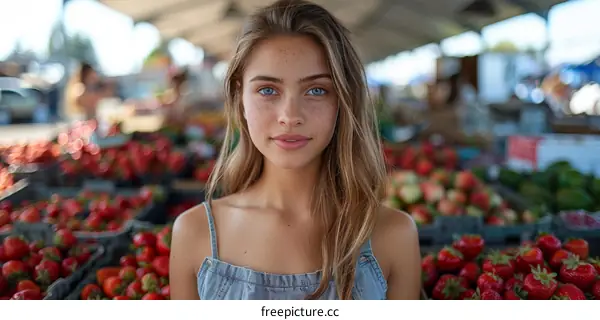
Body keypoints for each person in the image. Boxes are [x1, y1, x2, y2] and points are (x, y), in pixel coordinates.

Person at [169, 0, 421, 300]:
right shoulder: (193, 233)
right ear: (239, 98)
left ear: (343, 100)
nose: (290, 115)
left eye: (316, 90)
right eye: (267, 90)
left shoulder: (395, 236)